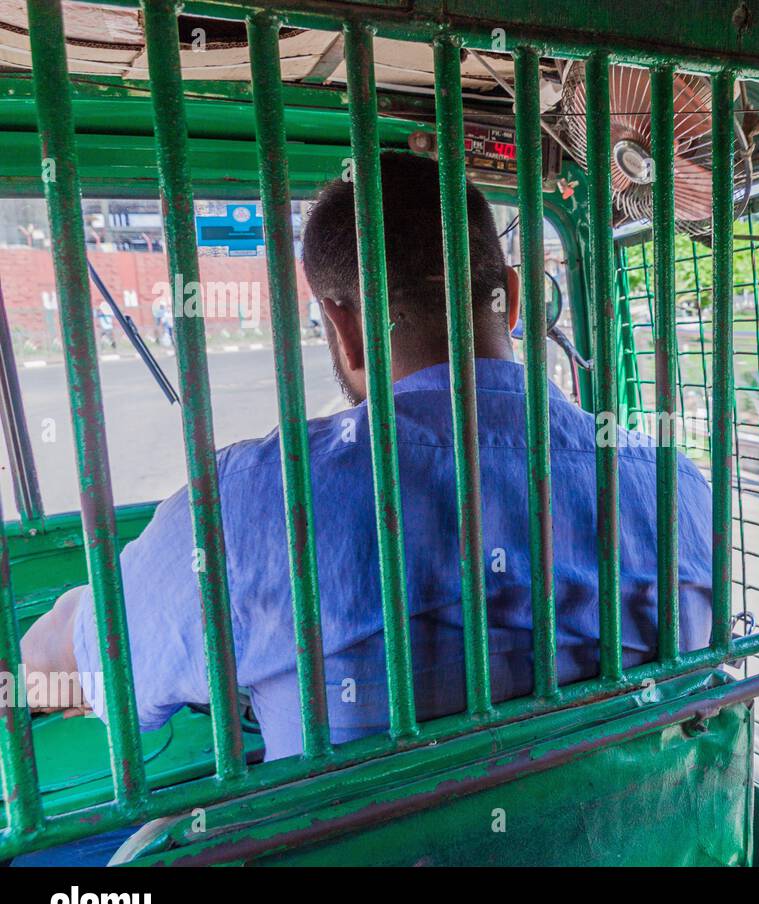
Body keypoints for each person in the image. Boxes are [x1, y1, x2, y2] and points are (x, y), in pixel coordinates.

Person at [15, 153, 712, 862]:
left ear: (341, 328)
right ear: (512, 294)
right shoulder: (674, 485)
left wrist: (53, 638)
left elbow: (72, 660)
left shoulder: (255, 504)